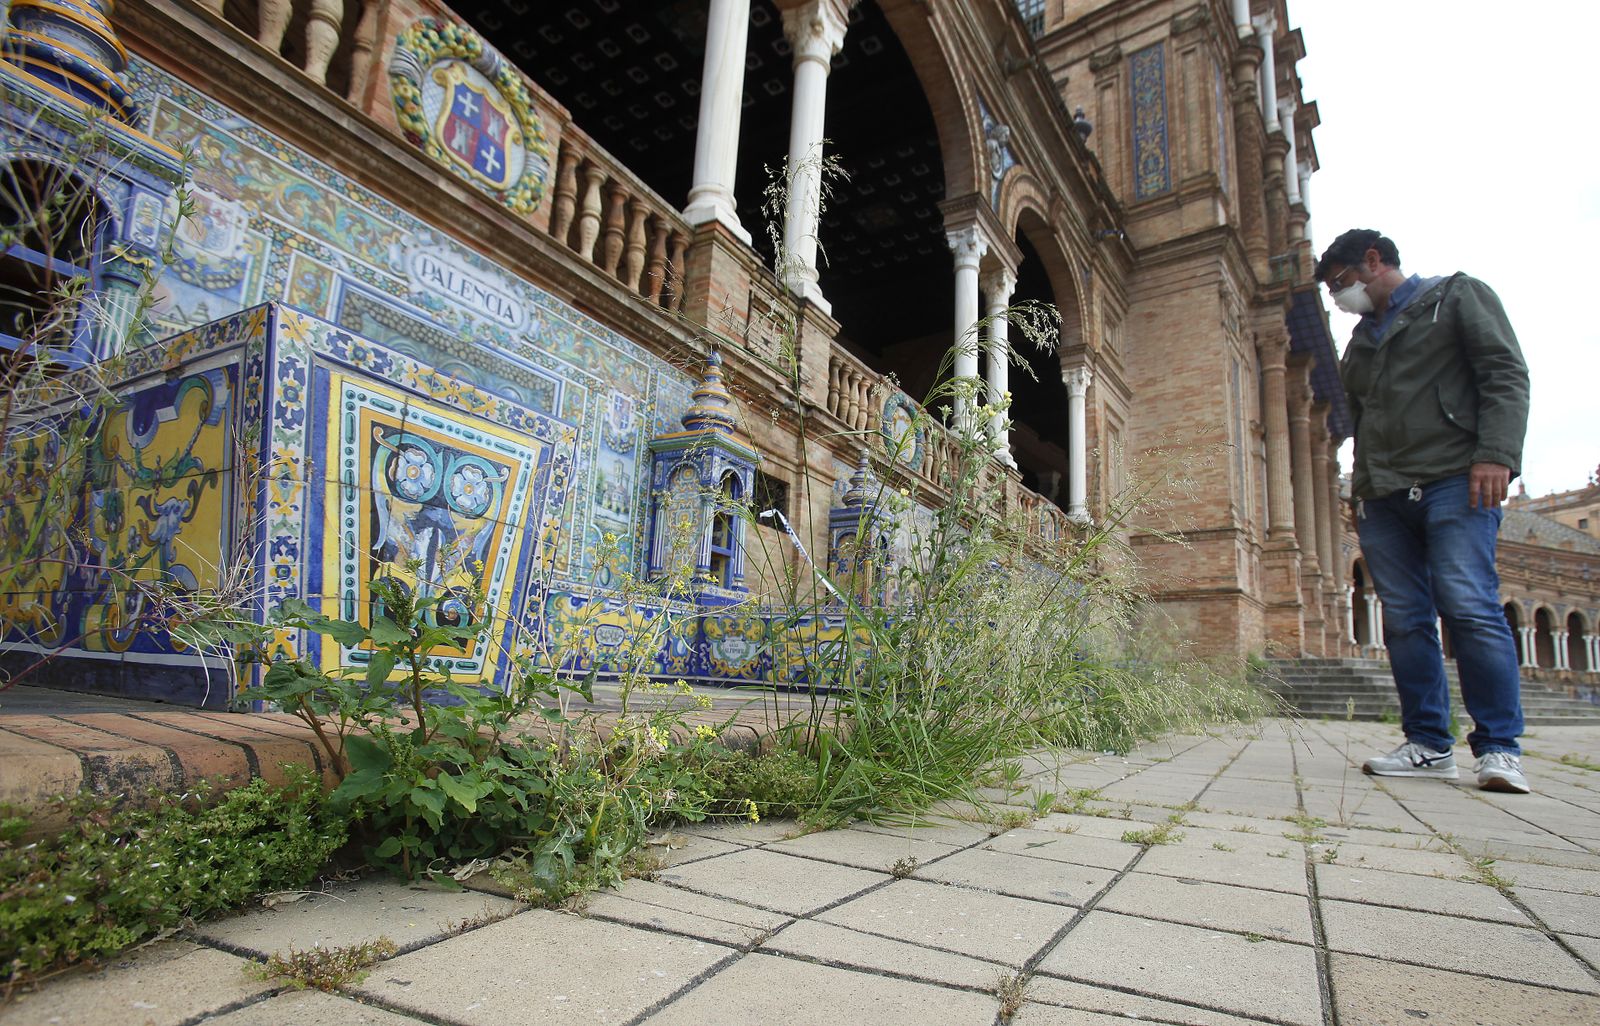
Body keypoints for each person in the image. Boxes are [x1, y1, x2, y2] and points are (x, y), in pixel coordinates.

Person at [1316, 228, 1531, 793]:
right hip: (1382, 495)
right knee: (1406, 619)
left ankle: (1500, 748)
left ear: (1372, 260)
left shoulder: (1455, 298)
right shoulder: (1359, 344)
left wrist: (1497, 455)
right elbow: (1356, 423)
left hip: (1456, 478)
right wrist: (1359, 493)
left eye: (1341, 284)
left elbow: (1504, 374)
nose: (1340, 299)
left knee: (1469, 604)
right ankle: (1430, 743)